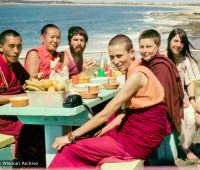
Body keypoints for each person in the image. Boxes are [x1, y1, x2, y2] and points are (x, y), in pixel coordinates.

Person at [49, 34, 168, 169]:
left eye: (119, 56)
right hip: (139, 133)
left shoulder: (136, 76)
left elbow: (105, 114)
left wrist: (69, 136)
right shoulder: (136, 69)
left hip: (138, 141)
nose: (115, 61)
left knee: (70, 149)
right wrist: (102, 132)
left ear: (132, 53)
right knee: (91, 139)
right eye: (112, 57)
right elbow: (124, 115)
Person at [0, 29, 45, 167]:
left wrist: (36, 79)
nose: (16, 51)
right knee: (32, 127)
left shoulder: (14, 63)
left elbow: (26, 80)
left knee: (41, 122)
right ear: (1, 47)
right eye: (11, 46)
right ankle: (27, 163)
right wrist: (20, 96)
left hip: (17, 111)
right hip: (4, 117)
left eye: (19, 46)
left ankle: (35, 162)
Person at [138, 29, 184, 135]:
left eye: (148, 47)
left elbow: (161, 98)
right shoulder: (145, 62)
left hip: (162, 115)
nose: (145, 50)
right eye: (142, 47)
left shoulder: (160, 67)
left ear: (158, 47)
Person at [166, 28, 200, 161]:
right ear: (169, 41)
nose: (178, 44)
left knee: (194, 118)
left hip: (184, 98)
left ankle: (186, 144)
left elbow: (191, 81)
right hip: (168, 100)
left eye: (181, 42)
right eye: (175, 40)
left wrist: (191, 99)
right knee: (183, 119)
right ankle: (186, 147)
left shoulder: (187, 60)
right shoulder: (163, 59)